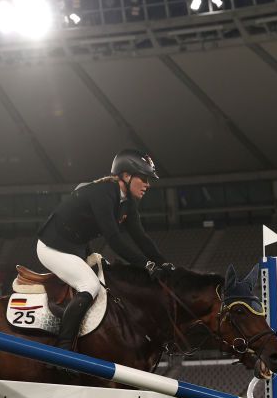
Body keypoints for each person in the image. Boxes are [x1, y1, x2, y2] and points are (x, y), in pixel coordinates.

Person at [36, 149, 174, 349]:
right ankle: (63, 349)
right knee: (89, 285)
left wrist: (164, 263)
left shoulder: (128, 202)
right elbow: (115, 240)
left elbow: (141, 238)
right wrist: (146, 264)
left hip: (76, 248)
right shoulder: (103, 193)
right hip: (52, 247)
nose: (147, 184)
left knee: (110, 282)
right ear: (126, 176)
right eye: (143, 178)